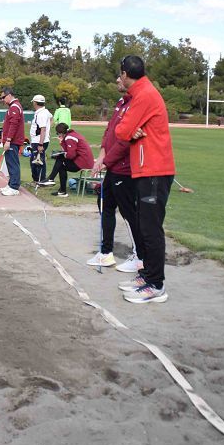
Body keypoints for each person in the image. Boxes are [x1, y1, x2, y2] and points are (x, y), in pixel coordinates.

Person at [114, 55, 175, 304]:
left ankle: (156, 284)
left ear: (126, 74)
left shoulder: (144, 94)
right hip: (147, 168)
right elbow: (125, 129)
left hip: (154, 170)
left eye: (120, 75)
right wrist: (130, 129)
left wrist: (130, 130)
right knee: (144, 224)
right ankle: (147, 275)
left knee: (150, 228)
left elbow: (121, 130)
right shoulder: (141, 93)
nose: (119, 78)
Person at [88, 76, 142, 272]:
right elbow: (110, 131)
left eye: (121, 75)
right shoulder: (121, 102)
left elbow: (126, 140)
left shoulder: (136, 103)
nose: (117, 79)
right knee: (104, 203)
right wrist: (102, 155)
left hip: (125, 169)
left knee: (129, 213)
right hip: (113, 167)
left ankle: (140, 256)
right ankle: (105, 253)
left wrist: (107, 160)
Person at [39, 122, 93, 197]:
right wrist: (62, 143)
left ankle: (51, 179)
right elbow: (67, 151)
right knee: (61, 166)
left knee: (60, 158)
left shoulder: (69, 138)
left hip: (83, 162)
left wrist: (61, 153)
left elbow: (71, 155)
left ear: (61, 133)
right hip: (83, 160)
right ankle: (62, 191)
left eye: (58, 133)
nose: (58, 135)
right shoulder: (71, 135)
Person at [0, 87, 26, 196]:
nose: (2, 100)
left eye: (3, 97)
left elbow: (13, 125)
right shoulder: (13, 107)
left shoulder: (15, 107)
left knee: (13, 163)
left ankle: (14, 187)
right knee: (10, 163)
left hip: (13, 141)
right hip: (12, 140)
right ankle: (11, 184)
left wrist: (8, 140)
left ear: (9, 95)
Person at [28, 94, 53, 183]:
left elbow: (43, 129)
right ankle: (38, 179)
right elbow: (51, 118)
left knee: (37, 160)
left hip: (38, 141)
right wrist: (49, 130)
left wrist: (40, 144)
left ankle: (40, 180)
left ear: (35, 103)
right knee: (36, 159)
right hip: (40, 140)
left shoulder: (41, 114)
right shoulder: (45, 111)